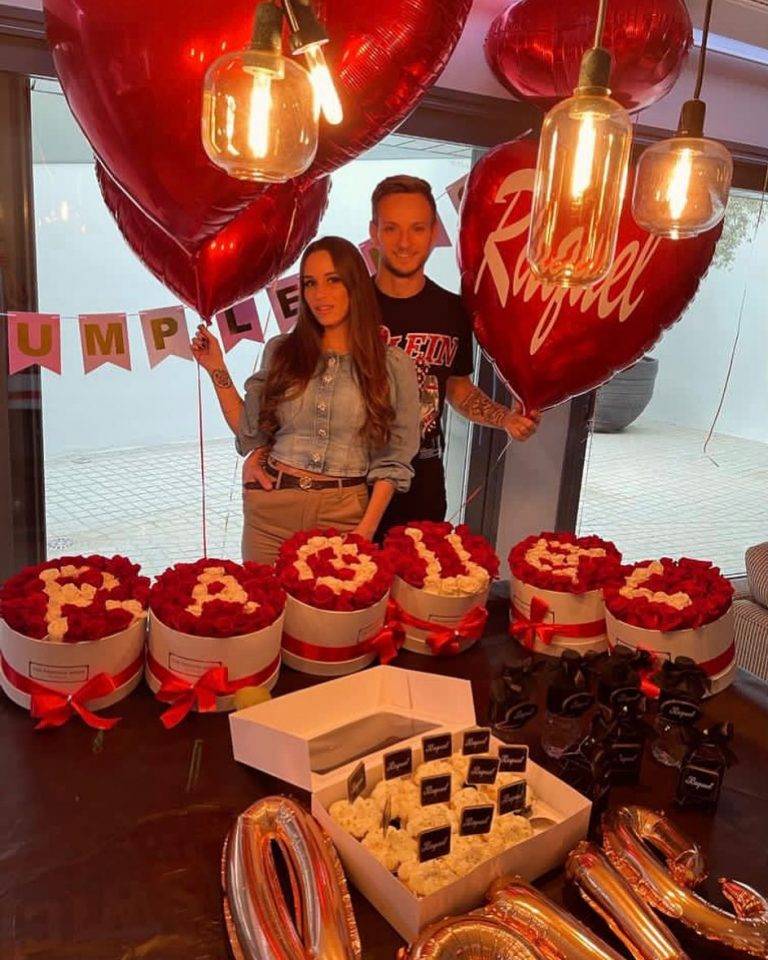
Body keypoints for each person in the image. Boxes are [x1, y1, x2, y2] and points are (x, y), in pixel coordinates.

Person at [191, 236, 420, 565]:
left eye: (332, 280)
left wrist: (366, 530)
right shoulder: (281, 351)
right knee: (261, 598)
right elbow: (250, 431)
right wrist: (216, 367)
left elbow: (394, 460)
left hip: (344, 515)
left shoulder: (392, 365)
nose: (319, 294)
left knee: (332, 600)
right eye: (310, 283)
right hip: (270, 512)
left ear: (355, 285)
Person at [369, 175, 541, 536]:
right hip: (352, 483)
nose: (404, 242)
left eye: (417, 229)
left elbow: (457, 389)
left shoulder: (452, 310)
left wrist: (505, 419)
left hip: (423, 484)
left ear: (434, 233)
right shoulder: (348, 308)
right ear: (374, 232)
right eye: (391, 228)